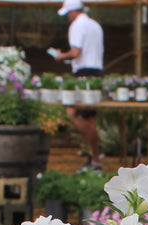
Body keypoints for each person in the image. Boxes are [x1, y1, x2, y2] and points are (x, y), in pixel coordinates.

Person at [52, 0, 104, 166]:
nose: (68, 16)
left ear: (73, 11)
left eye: (68, 13)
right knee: (75, 113)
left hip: (84, 74)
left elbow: (75, 52)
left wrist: (61, 56)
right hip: (95, 71)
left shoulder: (76, 26)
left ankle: (95, 157)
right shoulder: (95, 25)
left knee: (83, 117)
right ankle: (93, 152)